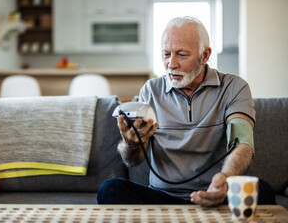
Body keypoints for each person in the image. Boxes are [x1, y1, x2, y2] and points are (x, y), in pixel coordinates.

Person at [97, 16, 276, 206]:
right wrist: (130, 144)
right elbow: (133, 161)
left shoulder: (233, 87)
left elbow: (243, 144)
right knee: (110, 189)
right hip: (163, 198)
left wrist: (225, 179)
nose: (171, 64)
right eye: (166, 54)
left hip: (216, 194)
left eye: (182, 55)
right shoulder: (150, 91)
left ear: (205, 55)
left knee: (262, 191)